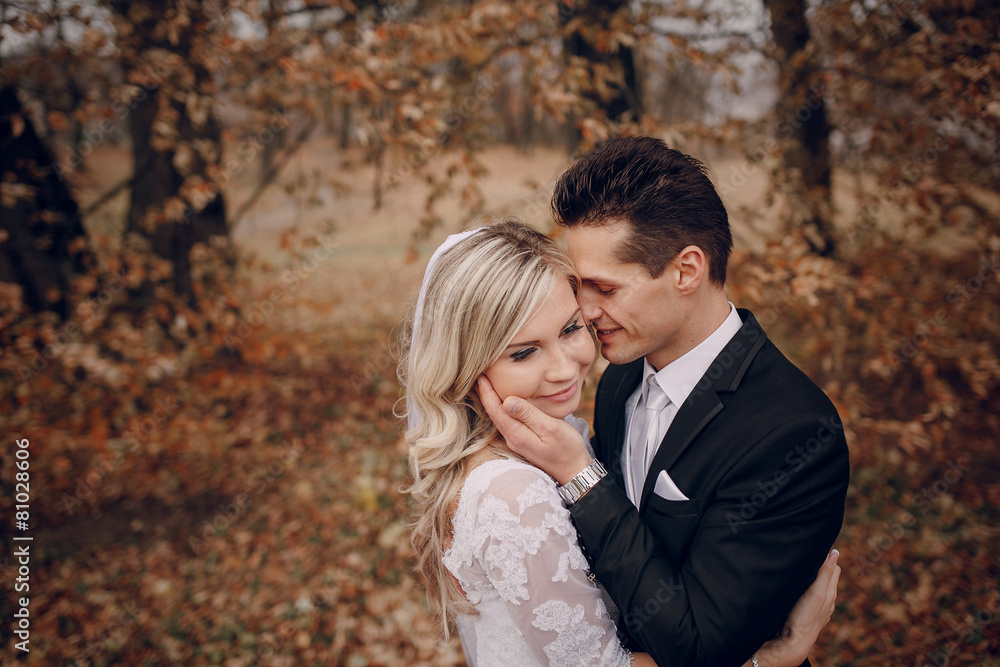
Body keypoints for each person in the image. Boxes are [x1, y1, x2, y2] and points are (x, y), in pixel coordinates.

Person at [478, 138, 851, 667]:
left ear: (686, 270)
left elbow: (697, 647)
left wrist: (582, 477)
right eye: (580, 286)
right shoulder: (619, 379)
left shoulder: (794, 431)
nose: (584, 309)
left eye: (604, 288)